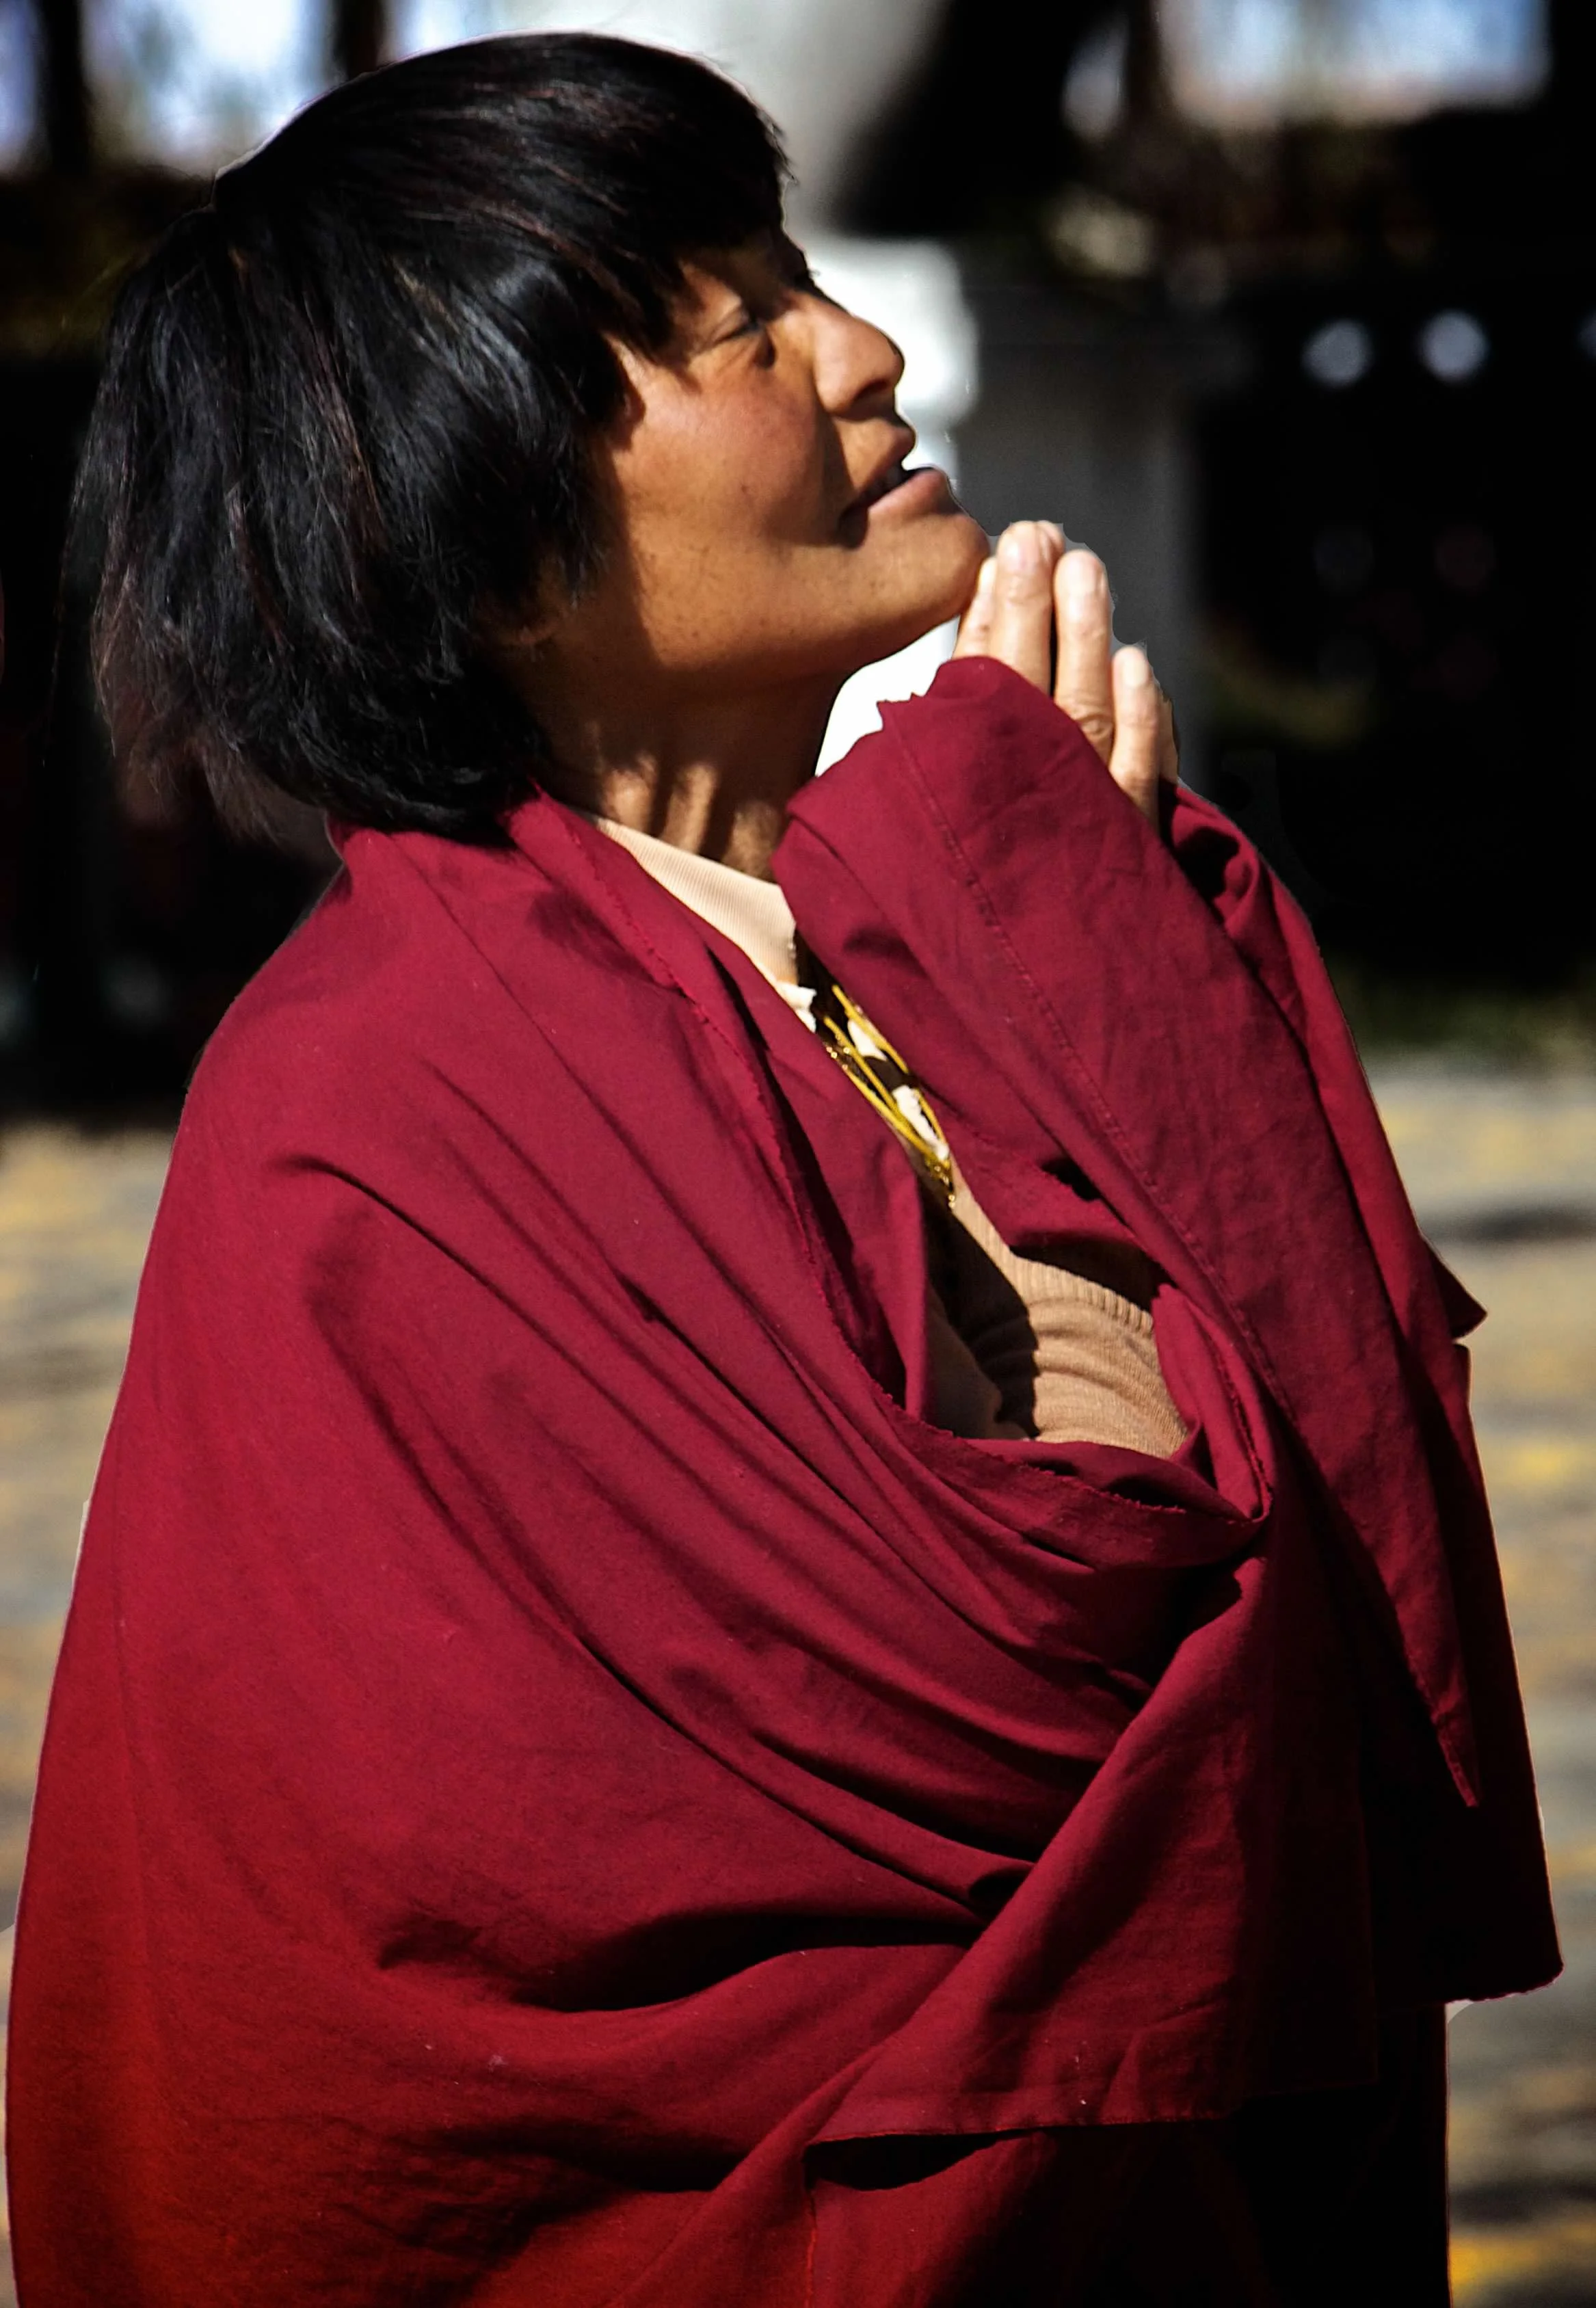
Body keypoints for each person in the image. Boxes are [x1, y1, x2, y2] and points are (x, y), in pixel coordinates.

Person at [8, 33, 1557, 2307]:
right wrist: (1050, 980)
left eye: (799, 276)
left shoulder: (916, 931)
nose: (862, 354)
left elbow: (1318, 1576)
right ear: (486, 533)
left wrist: (1077, 961)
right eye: (739, 326)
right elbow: (1027, 1694)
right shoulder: (376, 1102)